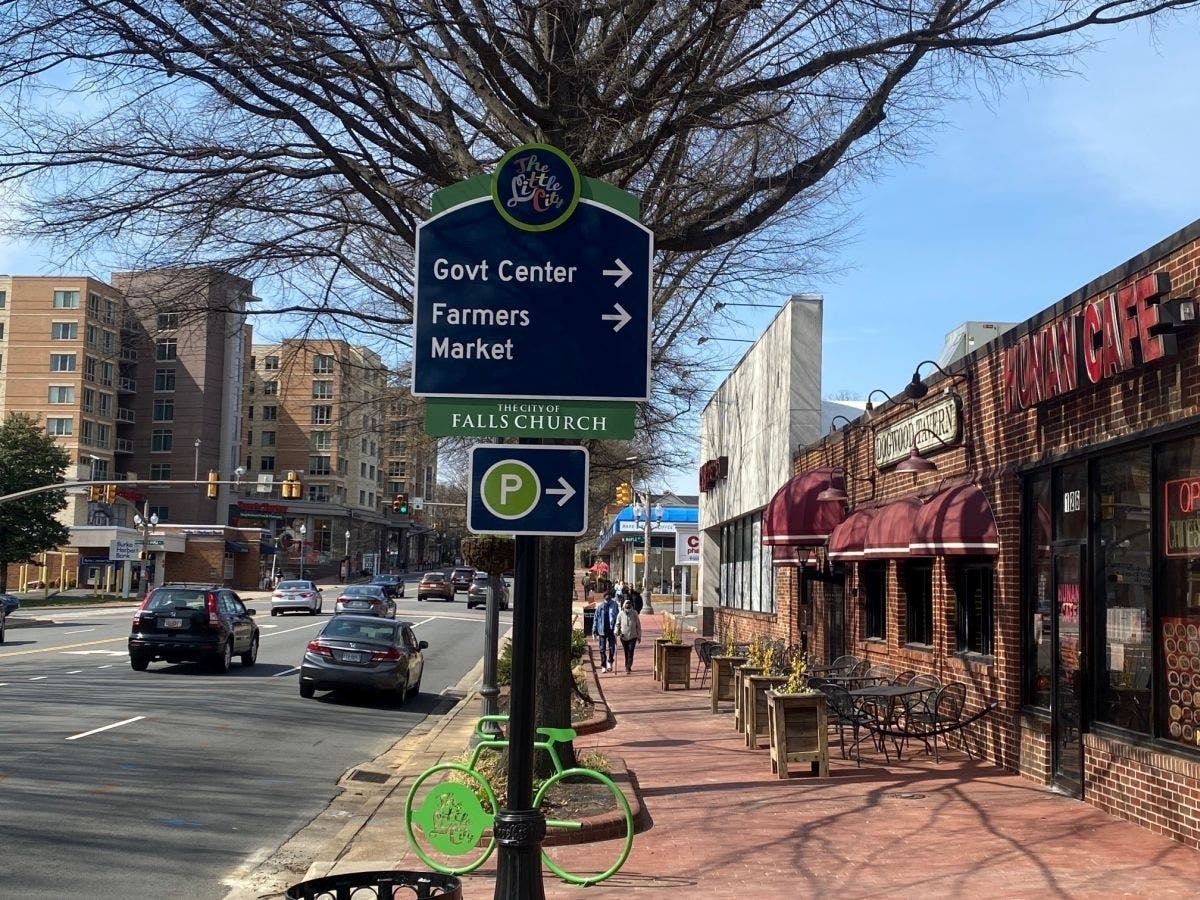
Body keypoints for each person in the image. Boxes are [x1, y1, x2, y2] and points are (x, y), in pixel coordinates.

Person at [592, 588, 620, 673]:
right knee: (602, 649)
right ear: (604, 598)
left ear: (611, 597)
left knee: (612, 648)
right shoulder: (600, 607)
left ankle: (610, 661)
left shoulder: (614, 605)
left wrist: (618, 628)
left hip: (611, 630)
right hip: (602, 630)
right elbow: (595, 619)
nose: (608, 598)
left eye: (609, 597)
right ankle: (603, 665)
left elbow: (618, 617)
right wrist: (594, 630)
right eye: (606, 597)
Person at [616, 598, 642, 674]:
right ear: (624, 606)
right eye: (626, 607)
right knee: (626, 652)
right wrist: (616, 631)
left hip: (633, 636)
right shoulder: (620, 614)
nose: (628, 609)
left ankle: (628, 667)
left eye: (629, 607)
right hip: (623, 637)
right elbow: (617, 624)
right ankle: (626, 665)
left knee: (630, 651)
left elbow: (638, 625)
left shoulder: (634, 613)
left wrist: (639, 636)